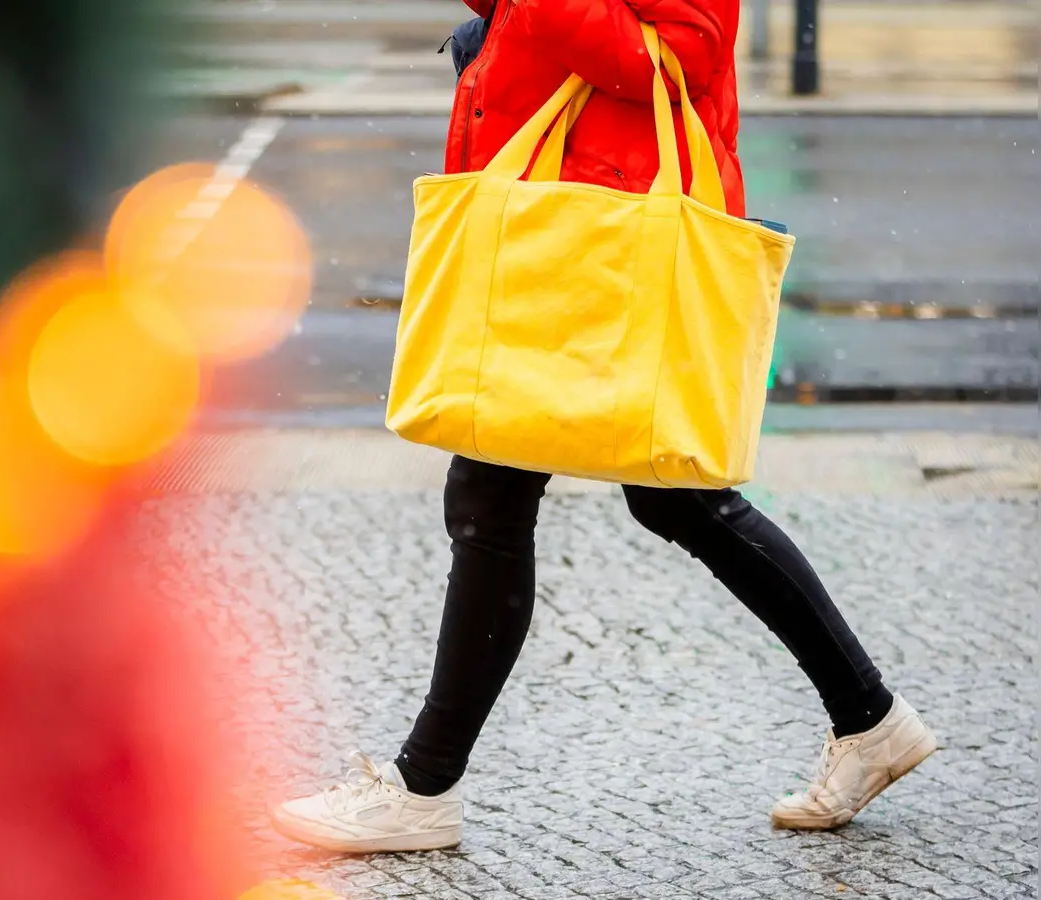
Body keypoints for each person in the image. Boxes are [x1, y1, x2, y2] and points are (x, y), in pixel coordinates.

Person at [269, 0, 938, 854]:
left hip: (598, 228)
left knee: (503, 490)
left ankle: (423, 787)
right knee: (650, 499)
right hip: (565, 210)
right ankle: (869, 716)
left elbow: (682, 58)